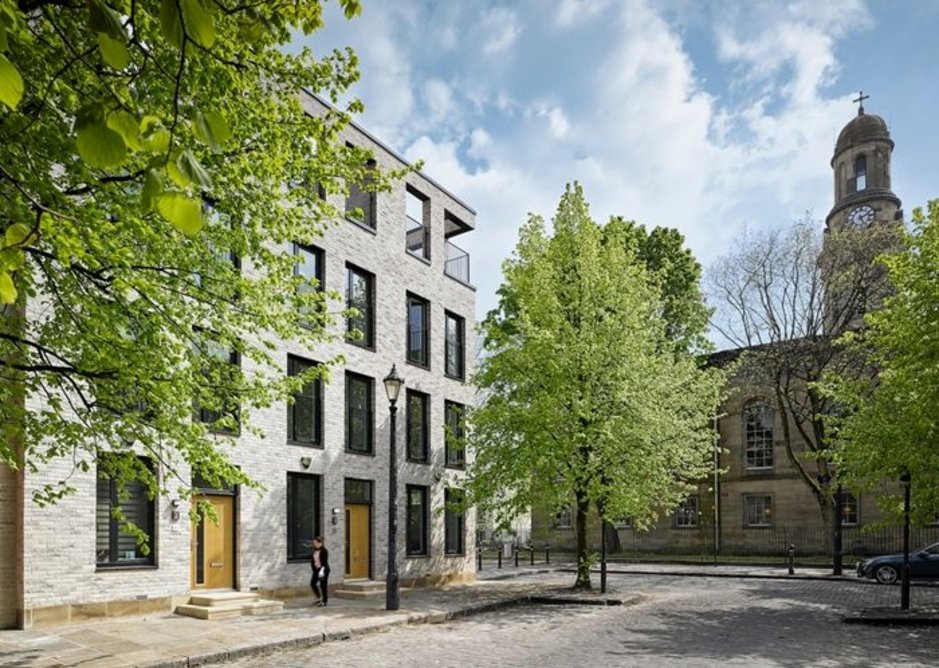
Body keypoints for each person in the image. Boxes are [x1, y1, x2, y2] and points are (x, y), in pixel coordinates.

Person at [310, 536, 330, 607]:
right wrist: (314, 569)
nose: (314, 544)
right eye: (314, 543)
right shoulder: (315, 550)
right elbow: (313, 561)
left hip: (323, 570)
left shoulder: (324, 551)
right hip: (316, 569)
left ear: (320, 543)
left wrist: (321, 572)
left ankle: (325, 601)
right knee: (312, 583)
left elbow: (324, 563)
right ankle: (318, 598)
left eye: (315, 543)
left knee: (323, 585)